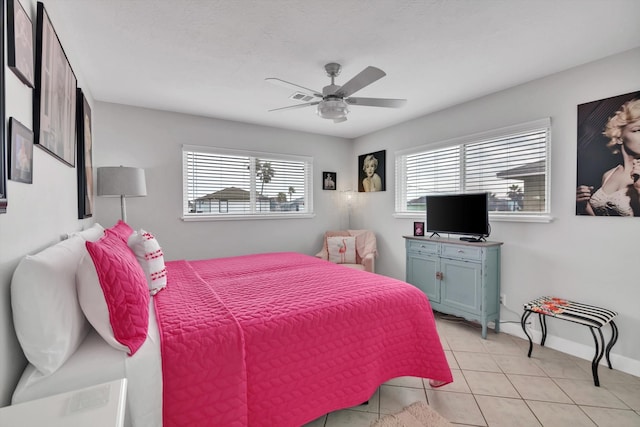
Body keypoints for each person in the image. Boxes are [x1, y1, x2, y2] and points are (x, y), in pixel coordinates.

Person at [576, 98, 640, 216]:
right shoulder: (608, 174)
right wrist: (584, 204)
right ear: (619, 136)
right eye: (638, 130)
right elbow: (601, 220)